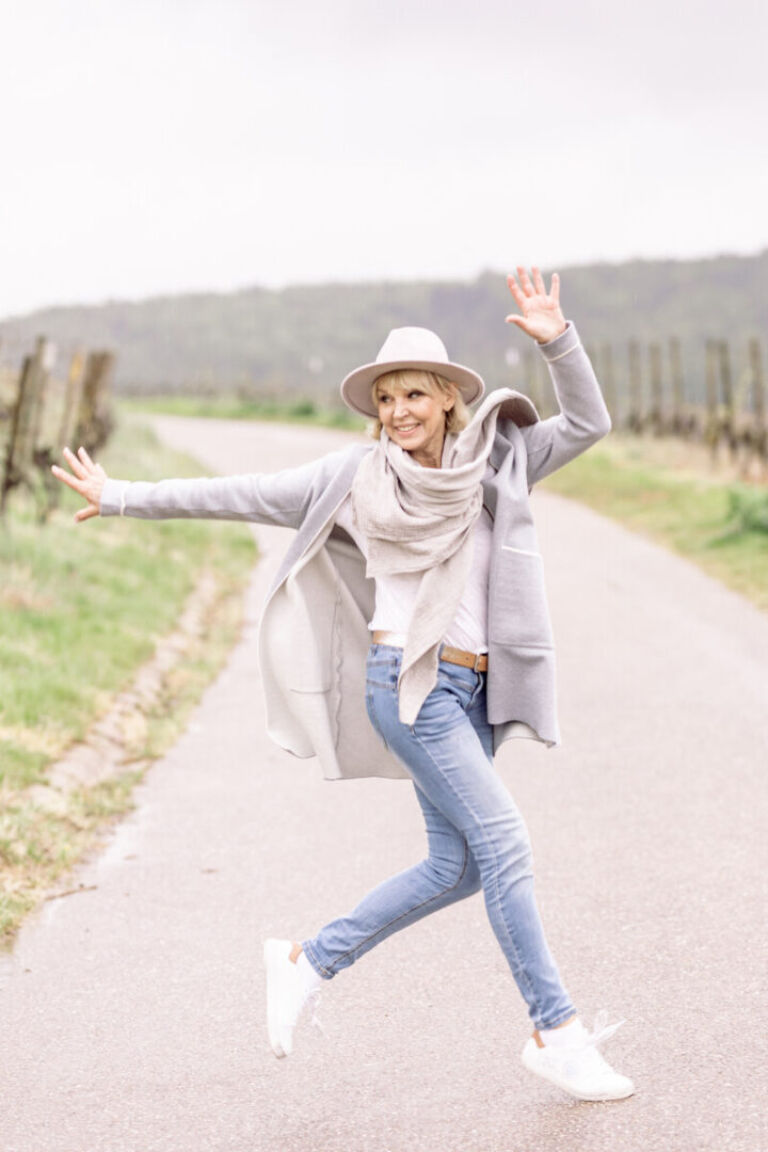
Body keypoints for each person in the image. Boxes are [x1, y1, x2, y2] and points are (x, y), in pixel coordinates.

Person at [52, 266, 634, 1103]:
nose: (398, 411)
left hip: (471, 693)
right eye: (385, 398)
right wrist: (120, 497)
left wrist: (560, 344)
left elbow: (588, 422)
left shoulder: (498, 461)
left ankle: (308, 960)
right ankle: (557, 1031)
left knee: (458, 867)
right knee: (506, 846)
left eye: (414, 394)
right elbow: (239, 494)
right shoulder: (355, 479)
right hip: (410, 688)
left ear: (448, 398)